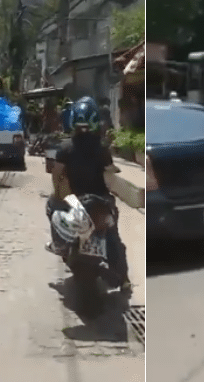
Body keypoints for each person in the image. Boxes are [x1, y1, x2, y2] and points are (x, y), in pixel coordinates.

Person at [45, 97, 131, 292]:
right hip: (101, 202)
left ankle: (59, 245)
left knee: (51, 207)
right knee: (113, 234)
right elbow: (110, 174)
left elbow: (57, 175)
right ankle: (124, 279)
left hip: (74, 202)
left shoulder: (65, 147)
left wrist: (59, 196)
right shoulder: (102, 147)